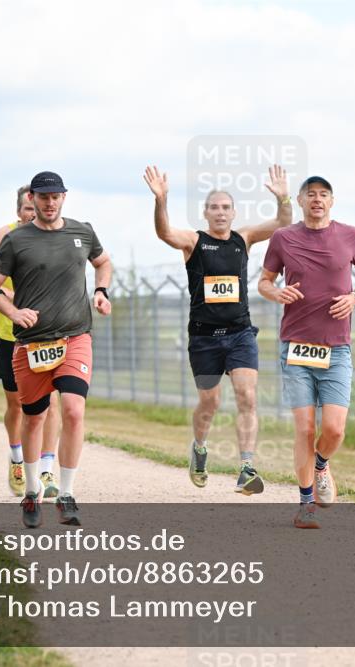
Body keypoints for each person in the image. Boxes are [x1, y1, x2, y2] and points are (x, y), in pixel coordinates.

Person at [143, 164, 291, 494]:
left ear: (234, 212)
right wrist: (161, 200)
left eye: (226, 207)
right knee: (209, 403)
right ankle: (199, 448)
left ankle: (246, 468)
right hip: (204, 338)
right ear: (206, 213)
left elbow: (283, 223)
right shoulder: (194, 241)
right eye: (214, 207)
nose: (220, 213)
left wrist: (283, 197)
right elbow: (164, 232)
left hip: (240, 334)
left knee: (247, 396)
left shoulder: (245, 238)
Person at [0, 171, 112, 528]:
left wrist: (101, 291)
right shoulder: (16, 239)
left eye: (56, 196)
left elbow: (102, 262)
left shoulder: (82, 231)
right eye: (43, 197)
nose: (50, 203)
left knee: (72, 409)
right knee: (34, 417)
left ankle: (66, 493)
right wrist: (12, 311)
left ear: (64, 197)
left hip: (75, 337)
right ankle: (32, 490)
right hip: (32, 343)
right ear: (33, 200)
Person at [258, 176, 355, 529]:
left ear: (332, 201)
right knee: (304, 429)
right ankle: (305, 504)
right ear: (300, 200)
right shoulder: (284, 238)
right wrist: (274, 292)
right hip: (296, 347)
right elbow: (264, 281)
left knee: (334, 430)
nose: (317, 199)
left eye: (323, 194)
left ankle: (322, 464)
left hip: (337, 349)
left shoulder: (351, 235)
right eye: (311, 194)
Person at [0, 185, 61, 498]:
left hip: (48, 332)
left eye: (36, 208)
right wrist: (9, 295)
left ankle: (47, 470)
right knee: (17, 404)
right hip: (11, 333)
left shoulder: (56, 234)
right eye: (27, 208)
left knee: (51, 401)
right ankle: (17, 456)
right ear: (20, 210)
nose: (32, 214)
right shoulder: (2, 238)